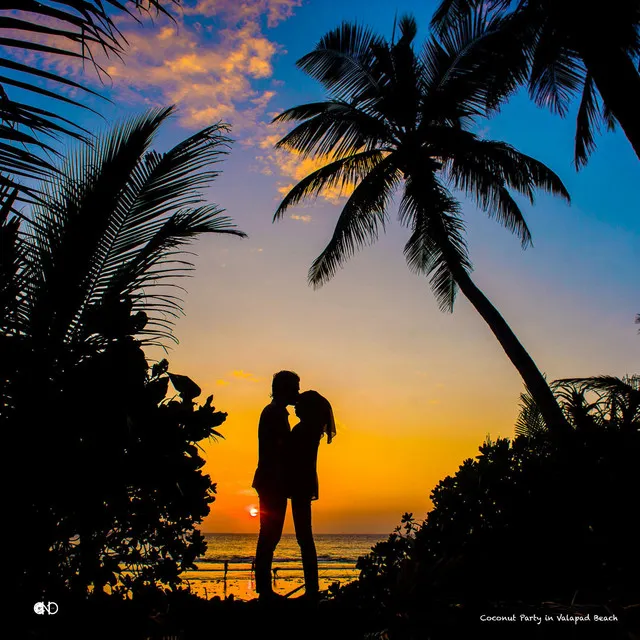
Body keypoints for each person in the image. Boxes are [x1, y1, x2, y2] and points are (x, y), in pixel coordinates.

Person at [252, 370, 300, 601]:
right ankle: (264, 590)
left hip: (272, 480)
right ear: (284, 389)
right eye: (295, 388)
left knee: (270, 534)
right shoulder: (274, 413)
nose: (298, 392)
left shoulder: (276, 412)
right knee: (269, 534)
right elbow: (281, 449)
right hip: (272, 480)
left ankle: (264, 589)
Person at [287, 390, 336, 600]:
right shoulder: (312, 429)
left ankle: (311, 589)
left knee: (304, 537)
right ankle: (312, 587)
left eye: (300, 404)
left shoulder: (305, 429)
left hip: (300, 484)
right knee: (304, 536)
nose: (295, 407)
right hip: (303, 483)